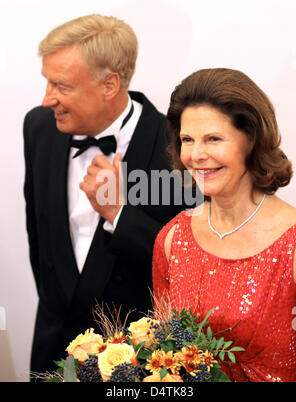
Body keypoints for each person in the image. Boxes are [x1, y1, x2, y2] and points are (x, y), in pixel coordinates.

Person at [23, 14, 186, 376]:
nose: (48, 99)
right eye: (47, 83)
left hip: (136, 362)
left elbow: (185, 266)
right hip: (51, 350)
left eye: (61, 86)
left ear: (110, 84)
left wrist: (119, 214)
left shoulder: (176, 147)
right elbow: (39, 233)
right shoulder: (38, 127)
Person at [152, 68, 296, 382]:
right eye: (187, 140)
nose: (197, 155)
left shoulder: (295, 245)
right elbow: (164, 358)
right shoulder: (172, 239)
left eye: (213, 139)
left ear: (251, 140)